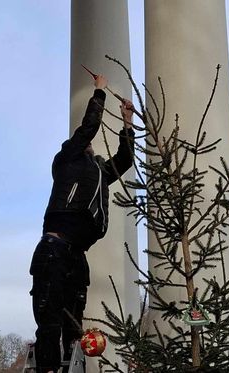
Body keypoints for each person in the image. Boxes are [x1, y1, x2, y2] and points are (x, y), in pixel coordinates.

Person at [29, 74, 135, 373]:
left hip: (77, 253)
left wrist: (127, 122)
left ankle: (72, 365)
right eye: (85, 143)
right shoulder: (67, 158)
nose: (89, 145)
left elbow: (124, 160)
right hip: (54, 247)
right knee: (49, 317)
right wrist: (99, 91)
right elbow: (88, 127)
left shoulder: (98, 172)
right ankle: (48, 369)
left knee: (74, 319)